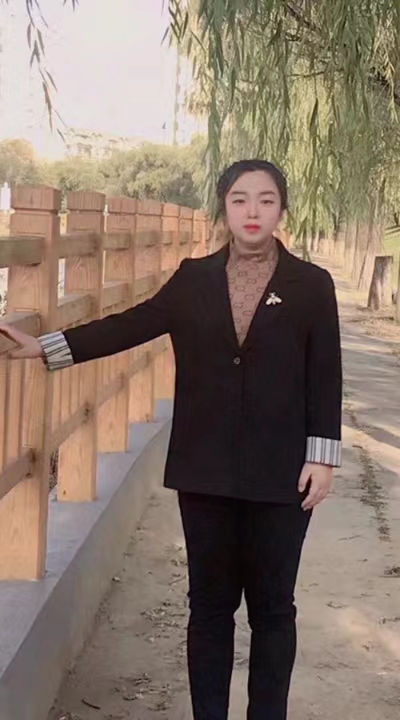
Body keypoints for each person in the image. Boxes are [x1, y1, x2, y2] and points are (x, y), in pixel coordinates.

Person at [0, 159, 342, 720]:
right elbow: (130, 324)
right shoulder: (193, 278)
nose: (252, 211)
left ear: (282, 208)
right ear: (223, 207)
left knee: (274, 610)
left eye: (265, 200)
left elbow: (325, 372)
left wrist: (322, 457)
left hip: (283, 474)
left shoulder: (312, 285)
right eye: (239, 199)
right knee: (209, 607)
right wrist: (47, 347)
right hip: (204, 471)